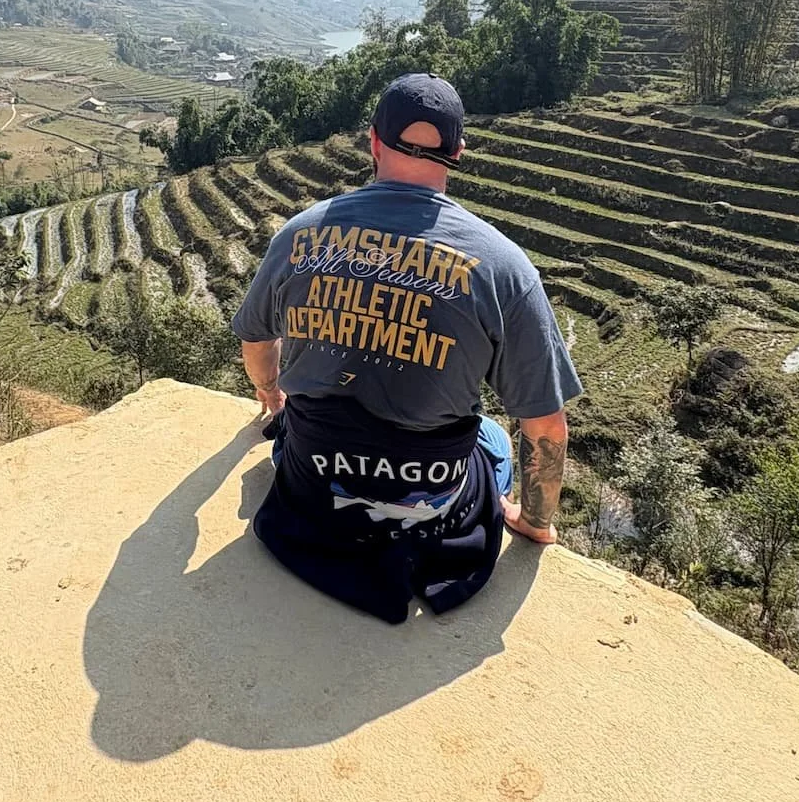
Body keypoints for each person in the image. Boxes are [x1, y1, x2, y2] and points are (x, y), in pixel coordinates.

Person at [231, 72, 582, 624]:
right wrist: (535, 523)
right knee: (489, 434)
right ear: (458, 151)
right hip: (432, 497)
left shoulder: (298, 235)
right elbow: (546, 428)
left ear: (372, 140)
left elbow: (257, 337)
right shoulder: (505, 266)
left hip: (313, 483)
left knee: (300, 422)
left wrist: (269, 395)